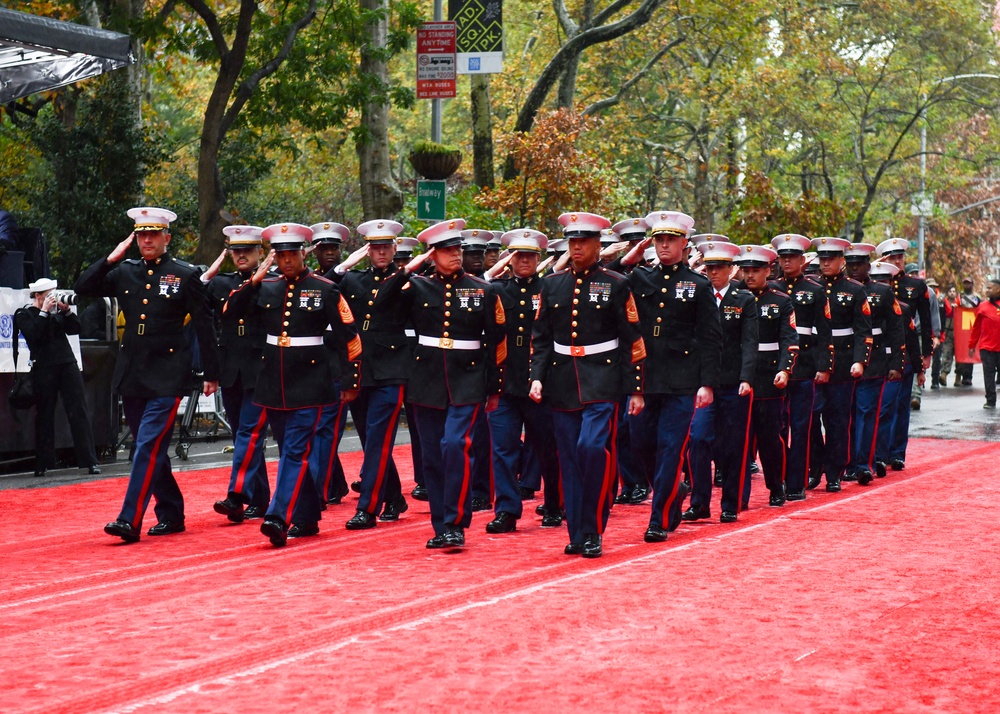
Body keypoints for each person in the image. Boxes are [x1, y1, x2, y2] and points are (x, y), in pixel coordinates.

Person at [75, 206, 221, 543]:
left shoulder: (184, 275)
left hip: (169, 374)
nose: (147, 240)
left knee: (146, 446)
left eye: (154, 234)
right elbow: (83, 287)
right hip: (134, 372)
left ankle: (130, 518)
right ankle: (171, 510)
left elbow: (204, 325)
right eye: (141, 235)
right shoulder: (124, 272)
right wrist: (111, 259)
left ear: (167, 237)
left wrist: (211, 373)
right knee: (149, 448)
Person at [224, 222, 361, 546]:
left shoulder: (325, 288)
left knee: (295, 451)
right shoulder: (266, 287)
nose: (286, 261)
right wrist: (255, 280)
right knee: (290, 451)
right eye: (280, 255)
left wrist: (351, 380)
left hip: (312, 381)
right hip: (273, 381)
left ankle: (278, 515)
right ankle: (307, 515)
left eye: (292, 254)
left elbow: (349, 337)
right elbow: (229, 312)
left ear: (304, 253)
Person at [530, 211, 646, 558]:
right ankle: (578, 531)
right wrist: (536, 376)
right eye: (572, 242)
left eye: (584, 242)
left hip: (603, 378)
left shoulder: (616, 283)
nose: (577, 247)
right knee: (569, 460)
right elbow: (541, 338)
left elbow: (633, 340)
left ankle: (594, 528)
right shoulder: (551, 284)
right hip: (563, 379)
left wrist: (636, 388)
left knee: (592, 449)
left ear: (599, 245)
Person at [618, 210, 721, 543]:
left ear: (684, 244)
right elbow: (615, 276)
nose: (664, 246)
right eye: (658, 240)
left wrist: (707, 383)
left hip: (682, 380)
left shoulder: (698, 284)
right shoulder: (640, 278)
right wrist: (633, 253)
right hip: (645, 380)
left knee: (669, 448)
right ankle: (673, 488)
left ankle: (658, 519)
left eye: (670, 240)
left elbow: (710, 337)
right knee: (640, 443)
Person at [407, 219, 507, 551]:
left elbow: (497, 342)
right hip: (426, 380)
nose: (455, 256)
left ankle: (456, 522)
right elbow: (381, 302)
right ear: (432, 254)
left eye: (457, 250)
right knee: (433, 457)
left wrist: (495, 387)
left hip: (467, 378)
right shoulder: (417, 286)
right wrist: (413, 265)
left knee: (454, 445)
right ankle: (442, 526)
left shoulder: (483, 289)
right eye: (446, 251)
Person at [328, 219, 412, 529]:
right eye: (374, 247)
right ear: (367, 251)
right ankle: (394, 496)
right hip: (358, 369)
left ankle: (368, 508)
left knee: (378, 440)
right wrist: (343, 266)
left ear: (394, 249)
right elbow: (321, 290)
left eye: (385, 247)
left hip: (392, 370)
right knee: (370, 440)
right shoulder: (353, 280)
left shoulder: (406, 281)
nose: (380, 252)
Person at [483, 229, 563, 533]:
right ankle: (506, 510)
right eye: (519, 256)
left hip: (541, 383)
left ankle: (555, 502)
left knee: (546, 448)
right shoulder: (498, 291)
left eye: (530, 256)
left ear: (539, 259)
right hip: (505, 382)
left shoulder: (550, 289)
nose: (524, 261)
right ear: (509, 260)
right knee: (503, 448)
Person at [685, 240, 756, 522]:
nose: (712, 272)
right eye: (709, 267)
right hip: (705, 382)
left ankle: (731, 502)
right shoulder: (698, 296)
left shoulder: (744, 299)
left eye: (718, 267)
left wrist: (746, 377)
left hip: (732, 380)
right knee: (698, 438)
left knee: (732, 444)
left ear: (731, 269)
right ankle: (700, 502)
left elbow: (750, 342)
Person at [13, 278, 100, 479]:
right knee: (44, 414)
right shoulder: (25, 314)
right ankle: (43, 463)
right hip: (44, 368)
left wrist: (67, 311)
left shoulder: (58, 314)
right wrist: (44, 311)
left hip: (67, 364)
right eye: (49, 294)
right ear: (38, 296)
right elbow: (35, 334)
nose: (53, 297)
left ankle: (90, 461)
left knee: (78, 410)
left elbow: (76, 329)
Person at [770, 233, 833, 501]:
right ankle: (781, 478)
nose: (787, 261)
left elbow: (825, 331)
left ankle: (797, 482)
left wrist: (824, 366)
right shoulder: (772, 288)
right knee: (778, 427)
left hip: (805, 366)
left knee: (802, 426)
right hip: (776, 365)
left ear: (802, 260)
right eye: (783, 257)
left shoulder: (816, 289)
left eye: (792, 257)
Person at [809, 237, 872, 492]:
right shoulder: (811, 287)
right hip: (814, 361)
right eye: (822, 258)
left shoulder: (855, 290)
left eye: (831, 258)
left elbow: (863, 330)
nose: (826, 263)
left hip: (843, 362)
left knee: (837, 420)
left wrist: (860, 361)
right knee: (811, 417)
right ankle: (815, 467)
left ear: (841, 261)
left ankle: (835, 471)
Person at [737, 245, 797, 509]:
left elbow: (789, 340)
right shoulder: (734, 298)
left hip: (768, 375)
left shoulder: (781, 301)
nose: (750, 276)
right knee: (738, 438)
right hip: (738, 374)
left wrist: (785, 369)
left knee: (770, 438)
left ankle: (776, 485)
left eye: (755, 270)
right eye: (746, 270)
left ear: (768, 270)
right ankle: (739, 494)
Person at [845, 244, 904, 485]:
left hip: (875, 358)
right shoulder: (841, 290)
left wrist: (896, 363)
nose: (855, 268)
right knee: (846, 415)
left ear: (869, 265)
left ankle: (863, 464)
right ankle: (846, 462)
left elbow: (896, 329)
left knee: (867, 413)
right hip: (845, 358)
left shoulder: (882, 292)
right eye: (851, 264)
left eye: (859, 264)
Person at [874, 238, 931, 470]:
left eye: (900, 257)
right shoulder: (875, 283)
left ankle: (897, 452)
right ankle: (880, 451)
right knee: (882, 406)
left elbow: (925, 324)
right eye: (892, 258)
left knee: (900, 406)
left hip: (906, 351)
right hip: (878, 352)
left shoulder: (916, 286)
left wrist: (925, 356)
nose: (897, 261)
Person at [310, 221, 353, 506]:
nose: (328, 253)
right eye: (323, 248)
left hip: (338, 362)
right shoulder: (307, 279)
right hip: (312, 364)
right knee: (317, 429)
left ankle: (317, 490)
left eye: (333, 248)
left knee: (327, 429)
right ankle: (334, 483)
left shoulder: (351, 278)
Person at [459, 228, 494, 512]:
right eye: (469, 254)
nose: (475, 259)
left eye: (479, 254)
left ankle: (482, 488)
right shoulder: (457, 286)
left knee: (483, 436)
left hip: (483, 367)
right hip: (460, 370)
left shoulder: (492, 287)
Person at [969, 277, 1000, 409]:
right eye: (986, 288)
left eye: (990, 288)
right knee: (988, 374)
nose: (987, 290)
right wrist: (971, 345)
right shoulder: (982, 307)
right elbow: (976, 328)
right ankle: (990, 400)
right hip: (987, 348)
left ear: (998, 290)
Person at [957, 277, 981, 386]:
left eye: (969, 283)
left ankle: (968, 377)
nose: (967, 286)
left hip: (971, 326)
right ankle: (960, 375)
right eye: (965, 283)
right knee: (961, 350)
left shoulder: (976, 298)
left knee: (970, 350)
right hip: (961, 327)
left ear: (972, 285)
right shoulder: (959, 298)